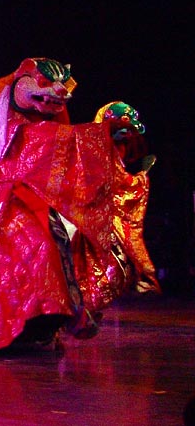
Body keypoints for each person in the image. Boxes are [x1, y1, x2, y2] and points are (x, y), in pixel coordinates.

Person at [0, 57, 115, 352]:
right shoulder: (13, 120)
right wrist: (98, 137)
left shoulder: (43, 127)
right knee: (36, 251)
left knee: (53, 248)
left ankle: (46, 323)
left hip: (37, 199)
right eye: (45, 84)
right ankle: (15, 328)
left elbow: (59, 148)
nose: (54, 94)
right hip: (12, 200)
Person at [73, 101, 160, 311]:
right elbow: (115, 182)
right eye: (122, 130)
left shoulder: (115, 148)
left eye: (129, 132)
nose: (127, 135)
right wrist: (141, 180)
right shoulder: (94, 147)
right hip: (87, 214)